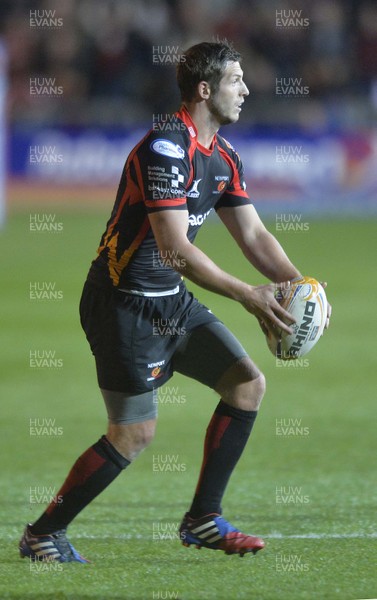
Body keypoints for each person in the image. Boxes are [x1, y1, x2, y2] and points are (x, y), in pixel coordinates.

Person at [20, 40, 330, 563]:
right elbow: (175, 249)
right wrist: (249, 296)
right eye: (237, 80)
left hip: (171, 300)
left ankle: (203, 520)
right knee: (133, 432)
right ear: (205, 90)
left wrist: (301, 288)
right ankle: (42, 533)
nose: (247, 90)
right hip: (122, 303)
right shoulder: (165, 147)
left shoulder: (223, 156)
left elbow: (253, 237)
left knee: (247, 385)